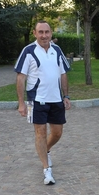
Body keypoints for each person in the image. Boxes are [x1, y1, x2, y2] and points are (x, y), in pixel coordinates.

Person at [15, 20, 71, 185]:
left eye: (47, 32)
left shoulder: (57, 50)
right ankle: (47, 170)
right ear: (35, 33)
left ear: (51, 33)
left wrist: (66, 96)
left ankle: (45, 150)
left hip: (56, 99)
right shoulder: (28, 51)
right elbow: (20, 78)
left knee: (57, 132)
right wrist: (21, 103)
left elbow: (63, 74)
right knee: (40, 133)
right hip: (36, 100)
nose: (44, 35)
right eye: (41, 32)